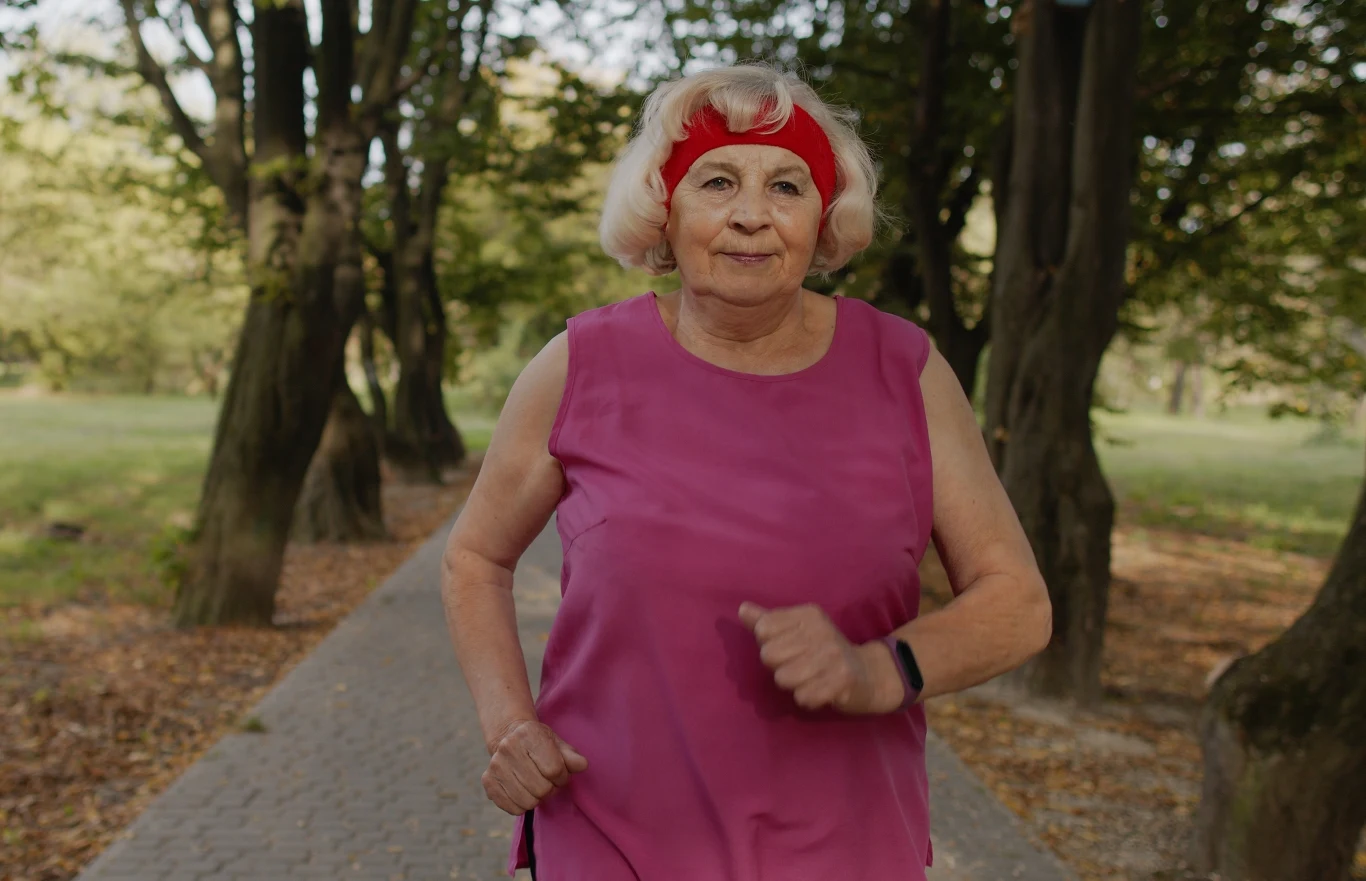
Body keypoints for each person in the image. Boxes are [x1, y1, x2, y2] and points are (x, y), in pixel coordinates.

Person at [440, 62, 1051, 881]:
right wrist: (509, 723)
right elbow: (475, 558)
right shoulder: (581, 364)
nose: (752, 216)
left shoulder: (904, 370)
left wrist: (881, 667)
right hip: (612, 831)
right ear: (667, 208)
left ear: (824, 219)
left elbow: (1019, 603)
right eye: (718, 180)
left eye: (788, 187)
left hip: (846, 843)